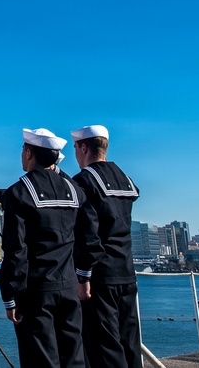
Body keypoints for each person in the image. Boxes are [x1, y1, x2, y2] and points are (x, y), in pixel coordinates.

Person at [0, 128, 102, 368]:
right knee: (74, 358)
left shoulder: (19, 192)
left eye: (23, 150)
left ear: (29, 152)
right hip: (68, 289)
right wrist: (83, 276)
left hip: (35, 293)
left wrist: (9, 298)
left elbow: (15, 251)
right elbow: (90, 238)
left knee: (41, 360)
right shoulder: (75, 190)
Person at [71, 125, 141, 368]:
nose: (75, 155)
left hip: (100, 277)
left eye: (76, 149)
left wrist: (83, 277)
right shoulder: (124, 179)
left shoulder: (84, 180)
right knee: (129, 341)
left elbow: (88, 235)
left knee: (104, 346)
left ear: (83, 147)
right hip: (127, 273)